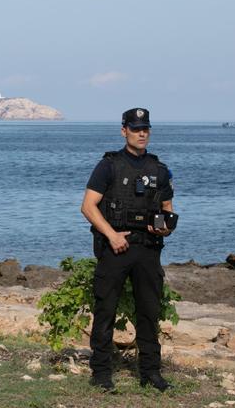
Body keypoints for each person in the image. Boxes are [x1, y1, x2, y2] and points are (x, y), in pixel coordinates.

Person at [80, 108, 176, 393]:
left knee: (149, 311)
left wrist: (164, 228)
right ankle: (100, 373)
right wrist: (111, 235)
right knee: (105, 310)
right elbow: (88, 206)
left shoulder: (159, 170)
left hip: (147, 250)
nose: (142, 133)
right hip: (115, 249)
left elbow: (168, 213)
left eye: (145, 128)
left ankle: (150, 373)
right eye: (135, 129)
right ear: (124, 131)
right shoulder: (108, 165)